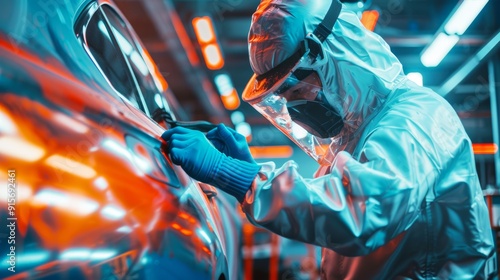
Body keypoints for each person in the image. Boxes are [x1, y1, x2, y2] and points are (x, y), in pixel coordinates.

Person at [162, 0, 497, 278]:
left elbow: (362, 214)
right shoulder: (352, 139)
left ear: (336, 60)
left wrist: (238, 176)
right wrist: (249, 170)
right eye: (285, 97)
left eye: (297, 89)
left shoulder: (416, 117)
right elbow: (328, 218)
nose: (293, 108)